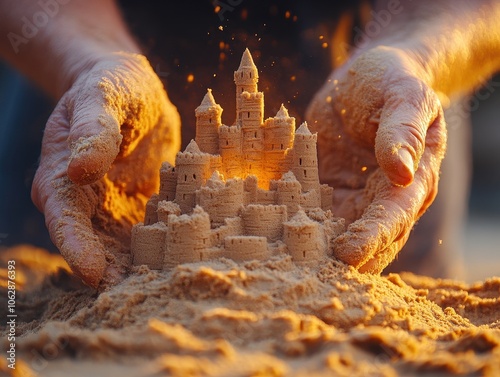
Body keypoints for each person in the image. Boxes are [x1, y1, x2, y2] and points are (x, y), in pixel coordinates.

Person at [0, 0, 498, 289]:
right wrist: (88, 62)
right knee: (65, 282)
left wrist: (415, 56)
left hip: (363, 137)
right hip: (104, 117)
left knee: (377, 285)